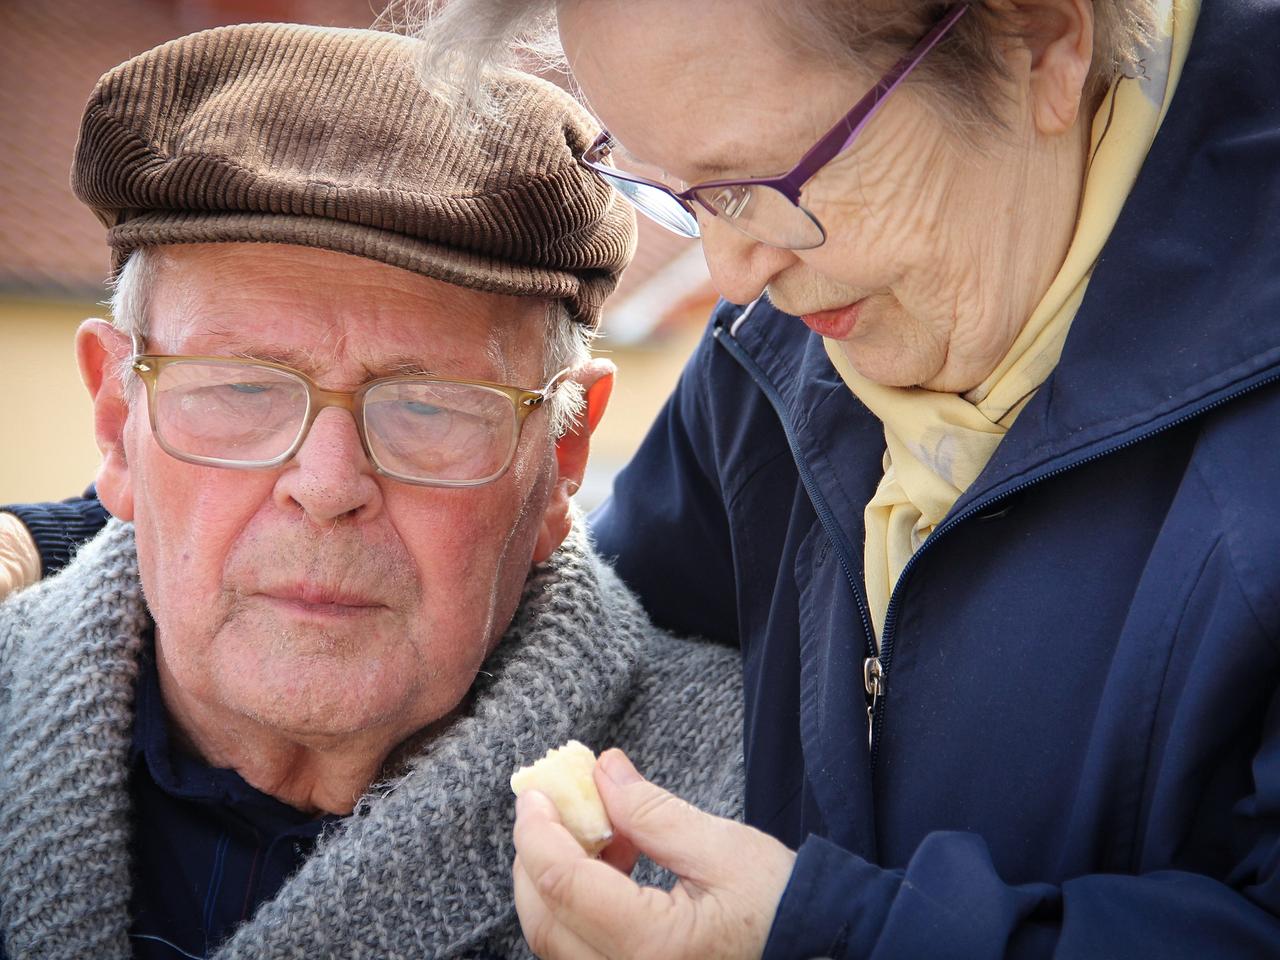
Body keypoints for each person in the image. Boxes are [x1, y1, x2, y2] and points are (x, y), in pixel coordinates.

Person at [406, 0, 1280, 957]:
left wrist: (833, 937)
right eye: (686, 195)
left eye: (770, 179)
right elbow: (620, 630)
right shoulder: (771, 359)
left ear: (1041, 42)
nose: (733, 276)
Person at [0, 23, 746, 959]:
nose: (327, 486)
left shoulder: (747, 811)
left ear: (562, 455)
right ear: (117, 422)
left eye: (428, 407)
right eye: (242, 389)